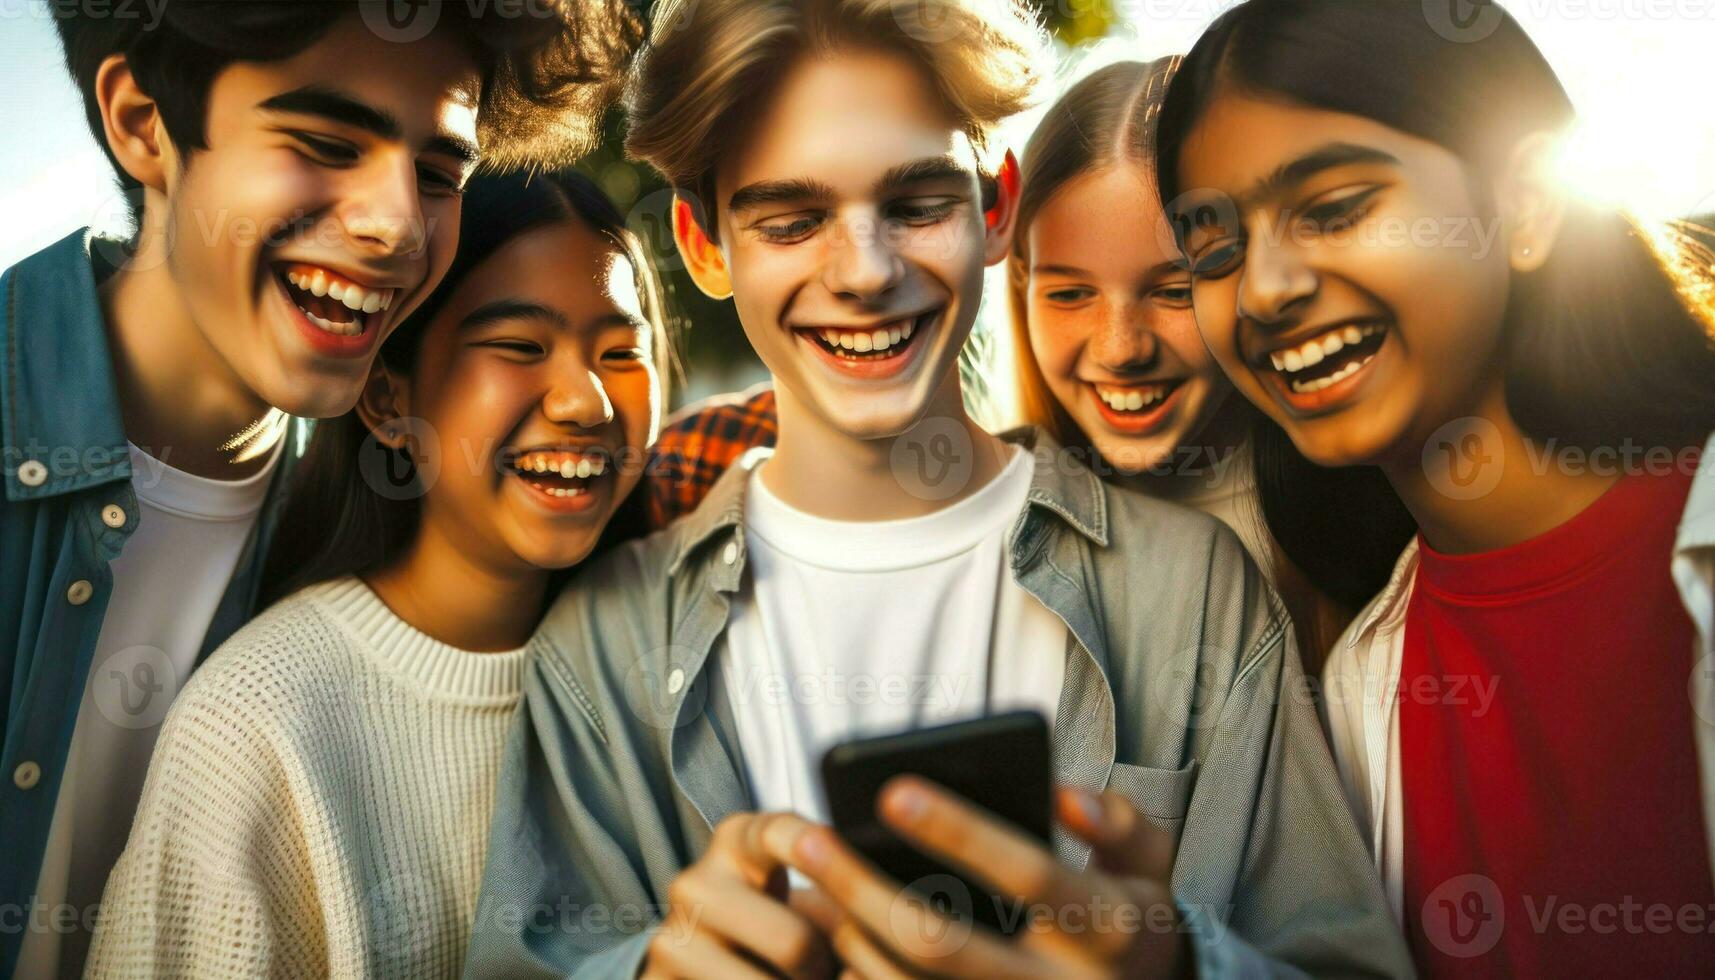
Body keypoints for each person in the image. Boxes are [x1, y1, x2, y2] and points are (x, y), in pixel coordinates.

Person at [465, 1, 1409, 977]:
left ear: (994, 207)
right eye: (792, 220)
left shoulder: (1189, 592)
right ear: (705, 248)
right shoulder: (601, 643)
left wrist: (1177, 968)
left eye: (916, 205)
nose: (865, 273)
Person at [1, 5, 641, 977]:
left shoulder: (365, 530)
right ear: (142, 124)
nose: (394, 227)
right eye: (325, 143)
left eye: (436, 175)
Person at [1154, 0, 1715, 974]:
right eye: (1211, 250)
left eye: (1332, 207)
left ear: (1528, 203)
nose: (1261, 290)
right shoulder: (1356, 687)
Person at [1005, 56, 1357, 663]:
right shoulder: (989, 530)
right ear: (1021, 285)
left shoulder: (1378, 521)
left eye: (1175, 291)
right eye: (1069, 294)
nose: (1121, 349)